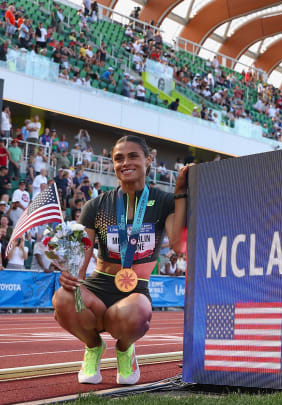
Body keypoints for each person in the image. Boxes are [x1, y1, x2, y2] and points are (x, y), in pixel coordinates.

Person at [53, 135, 190, 385]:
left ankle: (125, 349)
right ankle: (93, 347)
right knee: (63, 297)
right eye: (119, 158)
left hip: (135, 290)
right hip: (99, 285)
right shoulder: (96, 205)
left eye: (133, 156)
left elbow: (179, 245)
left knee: (138, 311)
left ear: (148, 160)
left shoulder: (163, 201)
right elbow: (82, 259)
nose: (125, 163)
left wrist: (180, 191)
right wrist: (71, 273)